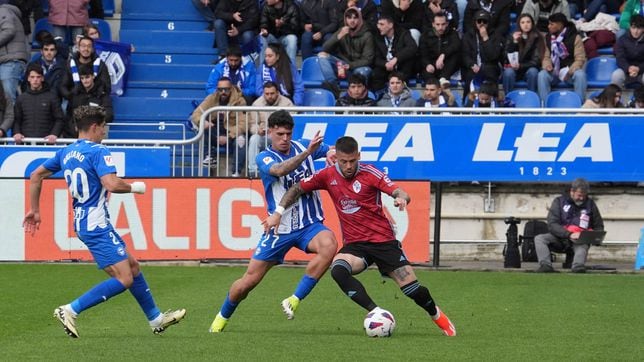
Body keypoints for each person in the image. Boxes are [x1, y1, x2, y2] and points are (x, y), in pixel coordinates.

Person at [263, 136, 456, 337]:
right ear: (335, 157)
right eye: (343, 161)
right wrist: (277, 213)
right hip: (356, 246)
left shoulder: (371, 173)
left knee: (412, 290)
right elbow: (296, 188)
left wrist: (400, 198)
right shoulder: (327, 175)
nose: (348, 166)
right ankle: (375, 312)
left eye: (352, 161)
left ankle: (437, 316)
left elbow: (400, 192)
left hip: (383, 242)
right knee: (338, 270)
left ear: (359, 157)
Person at [22, 105, 186, 338]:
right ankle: (69, 309)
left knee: (133, 267)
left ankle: (156, 319)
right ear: (94, 127)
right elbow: (111, 184)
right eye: (103, 128)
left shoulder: (66, 152)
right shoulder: (98, 151)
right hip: (95, 223)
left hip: (84, 222)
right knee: (124, 278)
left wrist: (35, 210)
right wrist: (135, 188)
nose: (105, 133)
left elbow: (36, 175)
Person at [209, 110, 338, 332]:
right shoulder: (265, 157)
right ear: (270, 132)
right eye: (280, 134)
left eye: (288, 133)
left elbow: (335, 150)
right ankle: (221, 318)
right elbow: (280, 170)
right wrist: (309, 153)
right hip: (279, 229)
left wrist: (333, 153)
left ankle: (294, 299)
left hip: (310, 225)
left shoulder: (302, 145)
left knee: (330, 245)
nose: (285, 138)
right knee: (247, 283)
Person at [534, 178, 604, 273]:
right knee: (540, 238)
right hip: (559, 238)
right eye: (579, 195)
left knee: (583, 245)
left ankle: (578, 267)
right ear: (572, 191)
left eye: (584, 195)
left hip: (579, 240)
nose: (582, 198)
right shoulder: (559, 201)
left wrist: (595, 238)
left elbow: (598, 225)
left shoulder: (590, 204)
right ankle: (545, 266)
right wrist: (569, 234)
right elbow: (552, 224)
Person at [191, 77, 247, 174]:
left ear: (231, 88)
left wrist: (228, 136)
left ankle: (236, 172)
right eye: (220, 89)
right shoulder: (212, 98)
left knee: (241, 140)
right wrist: (202, 121)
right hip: (214, 131)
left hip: (231, 132)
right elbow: (196, 114)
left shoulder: (239, 101)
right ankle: (209, 157)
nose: (223, 92)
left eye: (226, 89)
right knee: (203, 127)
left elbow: (243, 124)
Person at [318, 7, 374, 96]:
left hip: (358, 67)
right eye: (349, 18)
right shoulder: (342, 30)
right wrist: (338, 36)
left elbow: (368, 60)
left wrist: (350, 66)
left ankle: (361, 94)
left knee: (364, 71)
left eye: (355, 18)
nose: (352, 21)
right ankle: (333, 86)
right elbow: (325, 48)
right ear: (346, 19)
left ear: (359, 19)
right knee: (322, 55)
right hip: (342, 65)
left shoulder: (367, 35)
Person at [537, 13, 587, 103]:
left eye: (552, 24)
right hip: (554, 72)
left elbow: (580, 58)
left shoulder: (575, 37)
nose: (548, 26)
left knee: (580, 75)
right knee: (542, 75)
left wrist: (570, 71)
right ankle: (544, 107)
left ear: (560, 25)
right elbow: (546, 56)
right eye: (549, 24)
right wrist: (547, 65)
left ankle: (580, 106)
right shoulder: (547, 38)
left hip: (569, 73)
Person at [248, 81, 294, 175]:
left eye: (272, 93)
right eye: (267, 94)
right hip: (264, 135)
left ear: (277, 92)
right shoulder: (257, 104)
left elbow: (291, 123)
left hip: (281, 136)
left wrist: (278, 131)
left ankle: (286, 169)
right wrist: (258, 130)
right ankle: (253, 171)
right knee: (254, 139)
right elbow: (252, 124)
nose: (269, 96)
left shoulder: (287, 103)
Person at [12, 65, 64, 145]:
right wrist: (17, 132)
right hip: (25, 145)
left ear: (42, 78)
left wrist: (54, 134)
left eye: (38, 77)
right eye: (32, 77)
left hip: (46, 144)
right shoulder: (21, 98)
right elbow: (16, 120)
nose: (35, 80)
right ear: (28, 79)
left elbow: (59, 119)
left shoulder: (52, 97)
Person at [462, 10, 504, 97]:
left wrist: (485, 38)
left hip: (491, 67)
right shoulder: (468, 35)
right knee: (469, 75)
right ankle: (468, 103)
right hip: (473, 67)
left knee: (489, 71)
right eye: (479, 21)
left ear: (489, 23)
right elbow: (465, 55)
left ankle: (493, 101)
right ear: (475, 22)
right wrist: (472, 64)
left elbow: (493, 56)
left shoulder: (496, 35)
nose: (482, 24)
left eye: (485, 21)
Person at [371, 15, 418, 93]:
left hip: (401, 67)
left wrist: (396, 59)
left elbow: (412, 48)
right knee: (376, 74)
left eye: (382, 24)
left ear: (390, 25)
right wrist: (385, 64)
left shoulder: (403, 33)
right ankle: (380, 97)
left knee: (409, 62)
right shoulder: (377, 36)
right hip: (386, 68)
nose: (378, 27)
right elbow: (375, 57)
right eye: (378, 24)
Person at [66, 63, 113, 137]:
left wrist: (91, 125)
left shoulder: (102, 94)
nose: (85, 81)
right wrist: (76, 128)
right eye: (82, 78)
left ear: (93, 76)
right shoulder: (75, 95)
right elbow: (69, 115)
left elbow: (109, 115)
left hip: (97, 134)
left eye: (87, 77)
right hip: (77, 135)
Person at [502, 13, 545, 94]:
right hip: (514, 69)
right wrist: (514, 42)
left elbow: (536, 61)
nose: (526, 25)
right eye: (523, 22)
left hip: (529, 68)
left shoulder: (538, 37)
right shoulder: (512, 36)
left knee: (533, 72)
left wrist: (521, 66)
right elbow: (506, 57)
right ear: (519, 24)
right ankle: (508, 99)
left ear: (532, 24)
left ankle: (532, 97)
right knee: (508, 72)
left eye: (528, 22)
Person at [60, 36, 112, 102]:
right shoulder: (70, 64)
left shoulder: (100, 65)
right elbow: (63, 86)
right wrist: (71, 97)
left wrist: (96, 96)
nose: (86, 49)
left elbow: (107, 87)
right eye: (83, 46)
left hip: (95, 100)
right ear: (78, 48)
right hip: (74, 100)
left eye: (89, 46)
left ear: (93, 49)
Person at [418, 11, 461, 85]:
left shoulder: (452, 33)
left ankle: (443, 78)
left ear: (447, 24)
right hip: (432, 65)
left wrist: (443, 55)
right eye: (438, 24)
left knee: (455, 54)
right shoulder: (425, 35)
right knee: (424, 69)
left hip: (446, 66)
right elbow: (422, 54)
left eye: (443, 24)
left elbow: (456, 45)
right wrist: (427, 64)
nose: (440, 27)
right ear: (433, 24)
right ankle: (434, 83)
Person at [0, 1, 29, 107]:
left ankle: (13, 123)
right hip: (7, 61)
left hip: (10, 61)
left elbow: (9, 30)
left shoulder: (3, 10)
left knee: (9, 99)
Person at [259, 0, 300, 65]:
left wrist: (283, 24)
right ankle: (263, 69)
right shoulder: (265, 6)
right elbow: (263, 23)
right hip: (271, 36)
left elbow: (295, 28)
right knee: (261, 38)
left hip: (285, 36)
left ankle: (291, 69)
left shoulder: (292, 7)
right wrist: (264, 30)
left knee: (292, 39)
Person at [611, 14, 644, 89]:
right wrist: (628, 68)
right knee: (616, 75)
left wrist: (639, 68)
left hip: (642, 71)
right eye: (633, 28)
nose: (636, 31)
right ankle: (615, 99)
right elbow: (620, 58)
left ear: (643, 29)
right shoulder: (622, 40)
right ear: (629, 27)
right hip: (626, 70)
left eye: (639, 28)